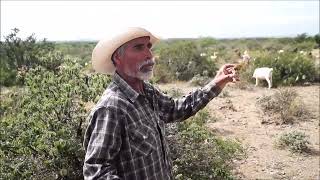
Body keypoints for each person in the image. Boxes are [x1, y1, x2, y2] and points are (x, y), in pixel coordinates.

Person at [83, 27, 239, 180]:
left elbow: (176, 109)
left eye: (149, 47)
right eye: (138, 48)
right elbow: (96, 171)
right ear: (118, 57)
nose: (149, 55)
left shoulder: (147, 91)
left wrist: (217, 82)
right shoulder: (112, 108)